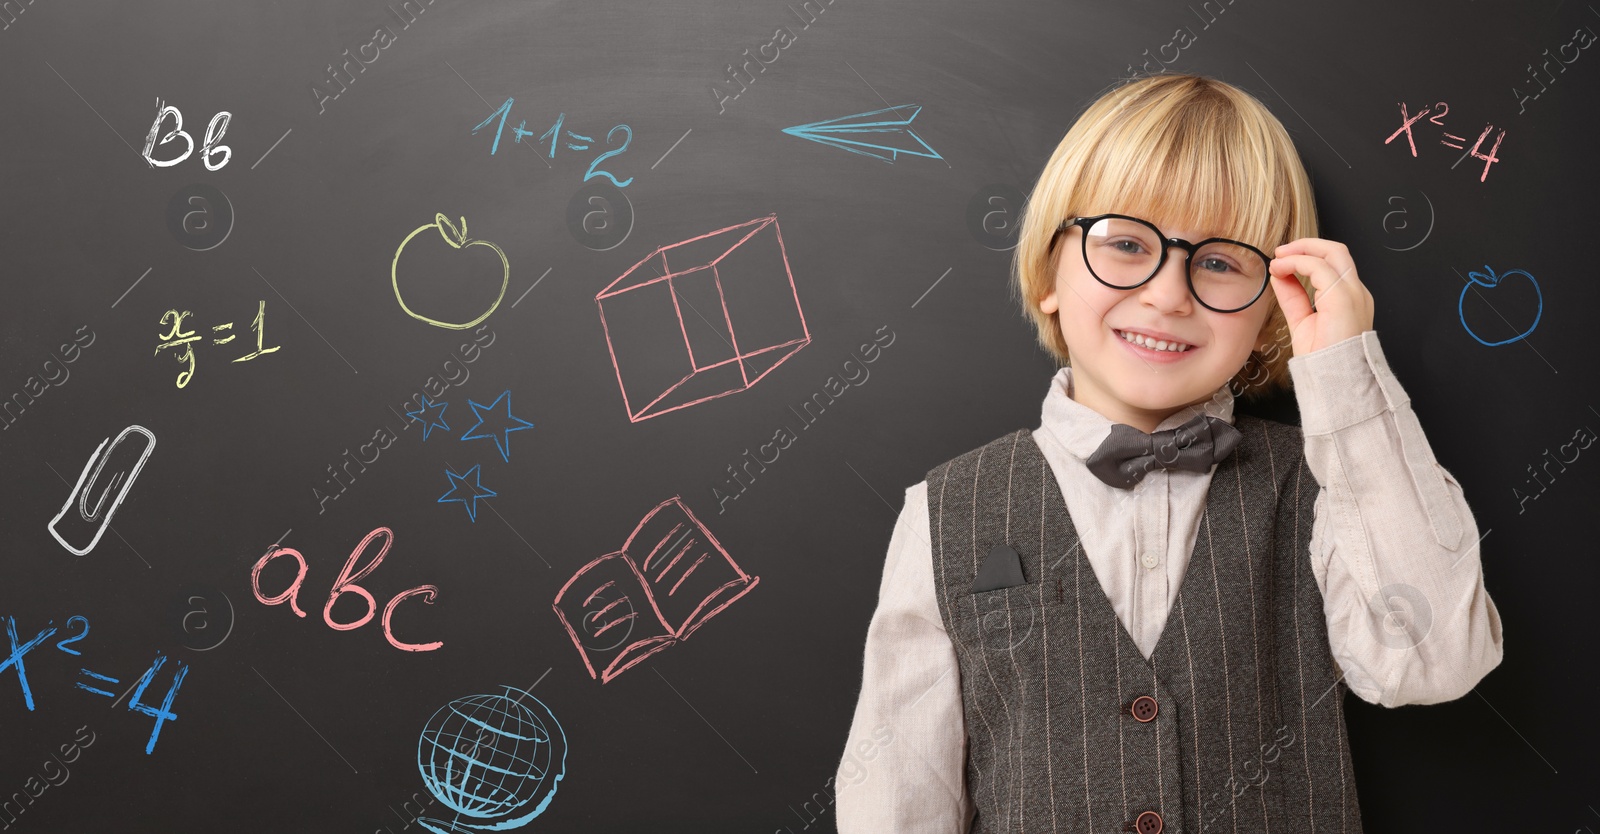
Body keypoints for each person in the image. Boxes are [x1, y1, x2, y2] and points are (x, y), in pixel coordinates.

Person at [833, 72, 1504, 833]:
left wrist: (1345, 373)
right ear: (1052, 269)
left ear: (1270, 307)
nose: (1168, 294)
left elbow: (1435, 662)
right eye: (1126, 244)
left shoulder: (1327, 484)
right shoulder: (943, 512)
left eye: (1219, 262)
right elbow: (895, 795)